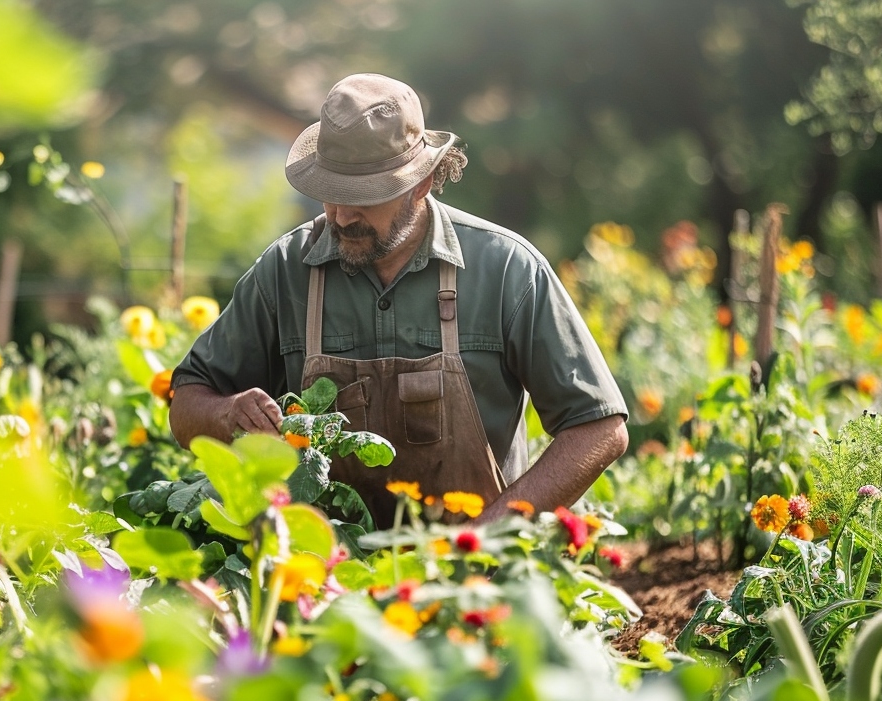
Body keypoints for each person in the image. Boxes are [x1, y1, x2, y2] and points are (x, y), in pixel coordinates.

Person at [169, 73, 628, 525]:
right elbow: (186, 403)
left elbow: (599, 428)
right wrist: (227, 412)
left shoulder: (506, 268)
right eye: (331, 193)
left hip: (473, 582)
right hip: (327, 577)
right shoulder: (286, 270)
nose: (341, 215)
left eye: (363, 196)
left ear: (420, 184)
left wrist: (492, 536)